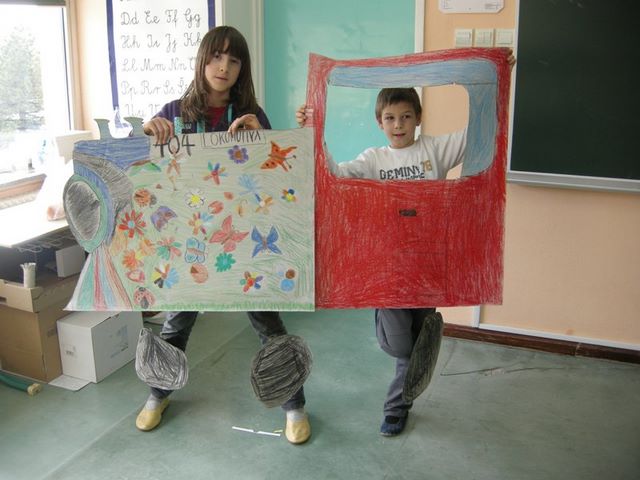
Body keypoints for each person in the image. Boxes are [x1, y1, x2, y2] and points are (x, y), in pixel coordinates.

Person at [136, 26, 310, 445]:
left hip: (244, 242)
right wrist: (148, 130)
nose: (223, 67)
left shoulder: (250, 113)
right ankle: (158, 394)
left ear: (241, 69)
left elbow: (275, 175)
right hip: (191, 243)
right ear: (203, 60)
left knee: (269, 324)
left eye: (234, 60)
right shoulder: (175, 111)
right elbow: (147, 166)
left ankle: (294, 405)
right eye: (216, 57)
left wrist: (262, 137)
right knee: (176, 325)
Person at [296, 87, 464, 436]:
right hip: (388, 268)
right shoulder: (374, 159)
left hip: (427, 265)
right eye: (390, 118)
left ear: (418, 118)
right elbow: (334, 174)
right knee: (400, 345)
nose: (398, 125)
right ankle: (384, 323)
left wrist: (498, 81)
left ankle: (396, 409)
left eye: (406, 117)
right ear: (379, 122)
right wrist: (313, 133)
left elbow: (478, 135)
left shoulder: (434, 150)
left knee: (416, 341)